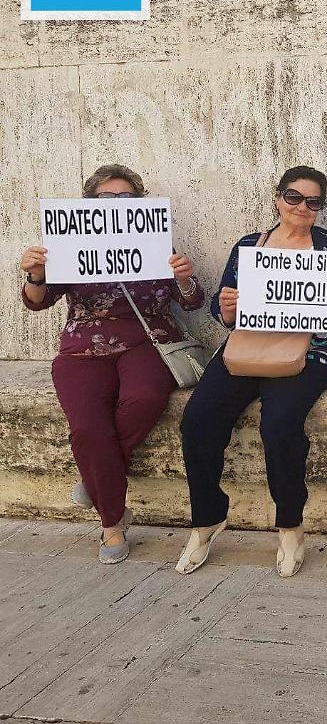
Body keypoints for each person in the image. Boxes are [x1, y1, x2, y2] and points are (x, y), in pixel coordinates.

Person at [176, 166, 327, 578]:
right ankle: (207, 517)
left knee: (280, 422)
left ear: (320, 207)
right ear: (278, 198)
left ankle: (290, 525)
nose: (302, 207)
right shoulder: (250, 246)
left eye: (313, 201)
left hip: (313, 349)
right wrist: (226, 308)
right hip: (250, 346)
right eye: (294, 197)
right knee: (198, 418)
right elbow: (222, 308)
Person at [20, 164, 204, 564]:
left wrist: (185, 278)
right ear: (90, 205)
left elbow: (192, 301)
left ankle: (95, 480)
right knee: (87, 426)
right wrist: (36, 273)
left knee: (144, 399)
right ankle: (112, 522)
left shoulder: (157, 241)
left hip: (148, 343)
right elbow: (38, 301)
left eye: (126, 198)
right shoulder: (68, 243)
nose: (117, 205)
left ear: (139, 204)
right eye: (107, 198)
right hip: (83, 349)